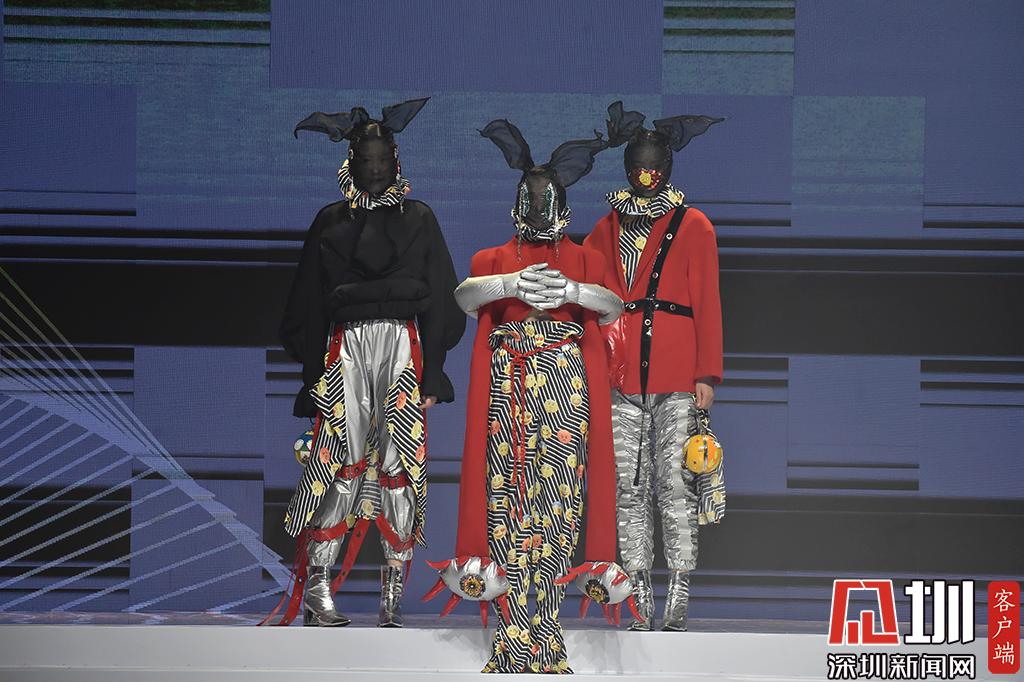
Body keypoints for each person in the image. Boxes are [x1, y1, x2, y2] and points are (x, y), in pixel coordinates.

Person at [271, 97, 465, 628]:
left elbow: (441, 299)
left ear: (396, 161)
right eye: (366, 160)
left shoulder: (419, 218)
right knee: (340, 458)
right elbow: (307, 304)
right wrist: (312, 376)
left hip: (402, 343)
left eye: (383, 160)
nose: (375, 169)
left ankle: (392, 591)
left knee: (399, 465)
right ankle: (318, 589)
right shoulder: (330, 222)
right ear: (351, 163)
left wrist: (433, 372)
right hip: (347, 347)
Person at [448, 119, 622, 673]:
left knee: (558, 505)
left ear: (563, 205)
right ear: (518, 201)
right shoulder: (492, 259)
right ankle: (511, 636)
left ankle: (546, 632)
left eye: (548, 200)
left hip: (564, 383)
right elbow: (466, 296)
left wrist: (571, 290)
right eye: (531, 198)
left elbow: (612, 305)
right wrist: (510, 285)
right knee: (506, 501)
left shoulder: (588, 259)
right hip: (510, 383)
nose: (540, 209)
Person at [583, 101, 726, 632]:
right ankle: (639, 588)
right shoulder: (604, 228)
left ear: (668, 167)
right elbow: (590, 298)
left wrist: (706, 372)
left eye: (655, 166)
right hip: (619, 374)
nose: (647, 175)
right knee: (628, 485)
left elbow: (707, 302)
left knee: (675, 482)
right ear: (626, 168)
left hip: (676, 371)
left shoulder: (694, 225)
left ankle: (681, 585)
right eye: (638, 166)